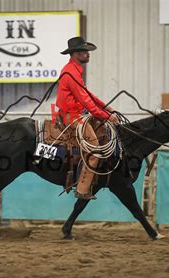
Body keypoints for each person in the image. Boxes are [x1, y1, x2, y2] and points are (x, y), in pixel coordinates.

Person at [55, 36, 119, 200]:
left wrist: (107, 108)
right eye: (84, 51)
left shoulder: (74, 70)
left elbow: (88, 95)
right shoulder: (70, 73)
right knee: (95, 147)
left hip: (75, 113)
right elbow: (87, 102)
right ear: (75, 54)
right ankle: (82, 189)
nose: (88, 54)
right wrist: (108, 116)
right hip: (71, 115)